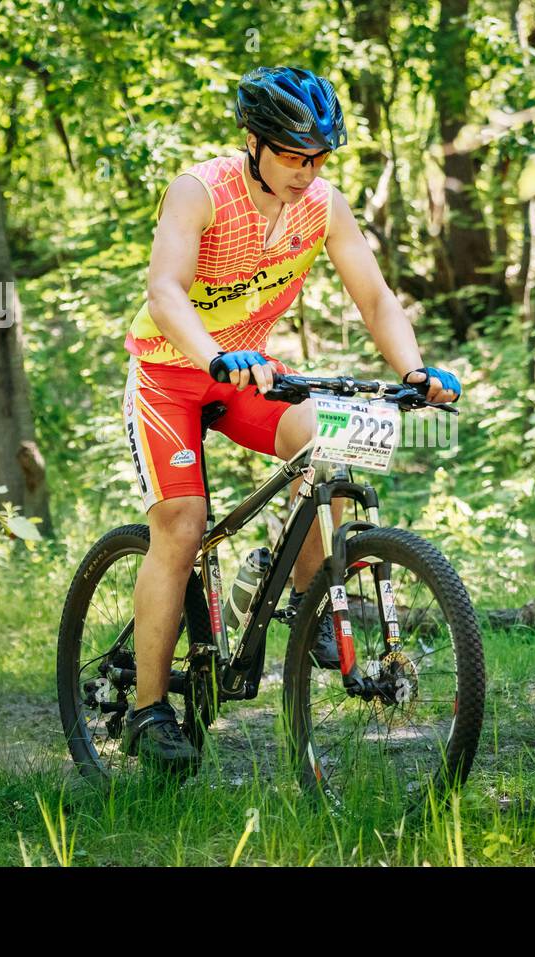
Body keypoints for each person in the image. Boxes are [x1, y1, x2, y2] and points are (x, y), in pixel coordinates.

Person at [119, 66, 463, 769]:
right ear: (254, 142)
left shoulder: (323, 205)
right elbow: (164, 291)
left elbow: (374, 298)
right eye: (293, 156)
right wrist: (215, 354)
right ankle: (148, 709)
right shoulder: (201, 191)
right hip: (171, 373)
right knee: (181, 524)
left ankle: (310, 602)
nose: (308, 172)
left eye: (319, 158)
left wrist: (414, 370)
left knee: (327, 440)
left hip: (249, 374)